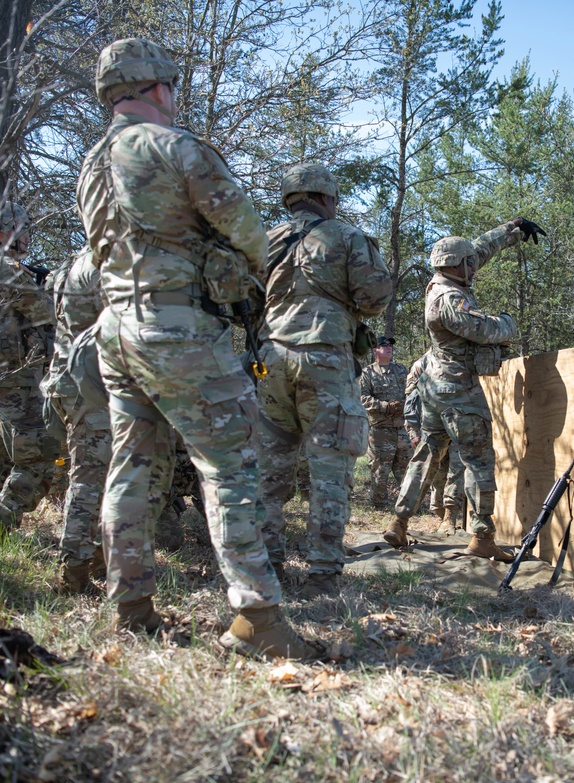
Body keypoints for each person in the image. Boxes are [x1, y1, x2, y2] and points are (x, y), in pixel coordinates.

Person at [76, 38, 318, 659]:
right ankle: (258, 620)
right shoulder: (174, 146)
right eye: (174, 86)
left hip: (116, 328)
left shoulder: (92, 162)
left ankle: (130, 606)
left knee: (131, 463)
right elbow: (247, 231)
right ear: (158, 87)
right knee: (231, 465)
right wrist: (242, 274)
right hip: (177, 327)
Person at [257, 162, 392, 598]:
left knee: (268, 471)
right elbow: (373, 299)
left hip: (270, 360)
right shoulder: (346, 236)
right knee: (330, 470)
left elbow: (238, 299)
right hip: (325, 359)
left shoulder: (263, 241)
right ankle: (322, 574)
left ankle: (267, 567)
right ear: (327, 197)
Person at [384, 217, 546, 561]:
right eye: (468, 262)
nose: (474, 264)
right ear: (457, 266)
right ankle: (483, 536)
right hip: (458, 392)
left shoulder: (443, 278)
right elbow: (485, 330)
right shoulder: (449, 300)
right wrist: (508, 322)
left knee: (425, 457)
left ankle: (399, 522)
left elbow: (477, 250)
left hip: (434, 391)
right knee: (480, 462)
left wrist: (509, 229)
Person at [40, 248, 110, 592]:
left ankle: (95, 564)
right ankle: (74, 575)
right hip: (88, 387)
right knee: (90, 477)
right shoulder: (102, 263)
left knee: (94, 475)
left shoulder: (67, 263)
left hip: (68, 382)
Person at [0, 201, 58, 532]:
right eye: (21, 231)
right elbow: (46, 312)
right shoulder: (8, 269)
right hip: (15, 381)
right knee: (38, 459)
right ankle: (5, 519)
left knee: (6, 458)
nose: (26, 239)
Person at [403, 350, 465, 534]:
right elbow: (411, 400)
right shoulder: (423, 363)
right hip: (432, 425)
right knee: (436, 471)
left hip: (460, 424)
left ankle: (450, 517)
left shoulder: (462, 357)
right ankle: (438, 511)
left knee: (457, 469)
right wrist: (413, 431)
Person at [359, 335, 411, 509]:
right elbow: (362, 398)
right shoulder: (368, 373)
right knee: (380, 469)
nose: (389, 347)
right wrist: (385, 406)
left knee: (405, 468)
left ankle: (406, 505)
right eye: (384, 345)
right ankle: (379, 505)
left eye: (390, 345)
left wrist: (405, 403)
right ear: (375, 351)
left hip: (401, 427)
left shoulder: (401, 370)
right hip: (380, 429)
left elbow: (411, 391)